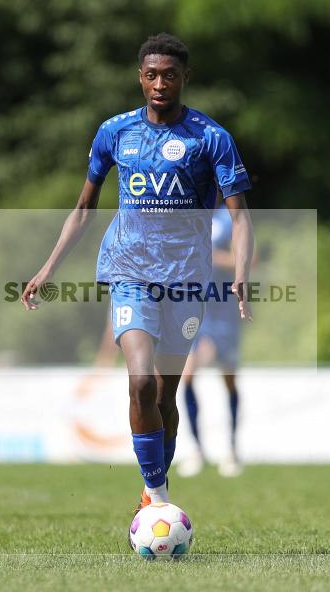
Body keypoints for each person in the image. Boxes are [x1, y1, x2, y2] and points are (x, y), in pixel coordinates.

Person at [20, 33, 254, 516]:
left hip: (188, 279)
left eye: (170, 75)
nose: (160, 83)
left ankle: (153, 489)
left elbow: (241, 216)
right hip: (129, 271)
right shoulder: (115, 133)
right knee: (142, 382)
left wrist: (242, 273)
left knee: (166, 395)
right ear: (140, 77)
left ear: (185, 77)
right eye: (151, 75)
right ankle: (158, 502)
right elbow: (84, 208)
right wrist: (47, 268)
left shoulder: (211, 138)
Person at [178, 203, 244, 478]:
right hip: (196, 311)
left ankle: (231, 450)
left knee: (228, 379)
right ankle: (196, 449)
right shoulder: (188, 218)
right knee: (187, 375)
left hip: (224, 312)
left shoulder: (230, 220)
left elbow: (246, 261)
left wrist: (208, 256)